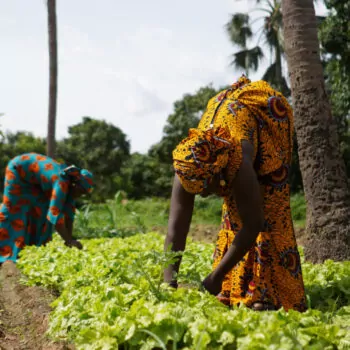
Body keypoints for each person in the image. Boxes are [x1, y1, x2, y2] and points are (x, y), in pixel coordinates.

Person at [163, 75, 307, 312]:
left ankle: (268, 292)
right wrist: (168, 283)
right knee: (232, 211)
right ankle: (234, 286)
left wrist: (214, 278)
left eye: (206, 189)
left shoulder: (239, 162)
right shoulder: (187, 165)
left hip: (268, 115)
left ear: (216, 171)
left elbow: (253, 225)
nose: (206, 196)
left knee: (269, 209)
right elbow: (175, 229)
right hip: (226, 112)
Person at [0, 152, 94, 263]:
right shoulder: (61, 182)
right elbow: (55, 215)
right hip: (18, 171)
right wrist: (68, 240)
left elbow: (69, 215)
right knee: (15, 211)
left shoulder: (71, 188)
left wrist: (71, 239)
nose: (80, 196)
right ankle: (5, 253)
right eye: (81, 192)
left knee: (41, 209)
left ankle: (31, 250)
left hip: (34, 182)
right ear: (75, 185)